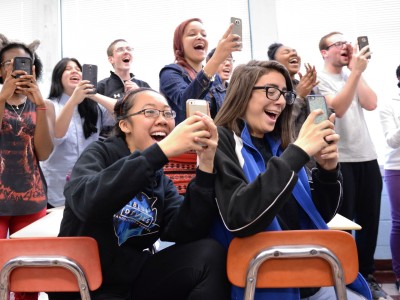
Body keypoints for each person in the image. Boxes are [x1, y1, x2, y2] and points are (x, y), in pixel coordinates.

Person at [210, 60, 371, 299]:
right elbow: (239, 217)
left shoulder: (279, 145)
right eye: (271, 90)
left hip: (313, 273)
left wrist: (327, 172)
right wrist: (298, 152)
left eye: (285, 93)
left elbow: (319, 216)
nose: (281, 100)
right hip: (264, 280)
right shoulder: (221, 140)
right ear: (242, 93)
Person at [48, 87, 229, 300]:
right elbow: (87, 202)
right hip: (83, 286)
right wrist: (159, 153)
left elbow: (186, 231)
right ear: (125, 125)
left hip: (130, 282)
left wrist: (206, 164)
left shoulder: (160, 178)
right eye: (150, 112)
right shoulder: (100, 154)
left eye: (168, 113)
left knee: (209, 253)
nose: (162, 120)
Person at [316, 31, 384, 300]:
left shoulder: (351, 74)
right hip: (340, 160)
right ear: (324, 52)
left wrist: (357, 71)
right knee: (342, 224)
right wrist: (355, 72)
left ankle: (368, 277)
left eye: (347, 43)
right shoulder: (318, 79)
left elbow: (371, 103)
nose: (345, 47)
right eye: (338, 44)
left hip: (367, 156)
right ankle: (341, 278)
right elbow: (338, 109)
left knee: (369, 222)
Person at [0, 35, 54, 300]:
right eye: (9, 63)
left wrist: (41, 104)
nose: (17, 68)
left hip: (32, 200)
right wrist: (2, 99)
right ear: (1, 71)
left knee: (28, 279)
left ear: (34, 69)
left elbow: (43, 152)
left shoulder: (43, 105)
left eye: (23, 63)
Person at [40, 57, 115, 208]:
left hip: (88, 183)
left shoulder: (95, 107)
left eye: (78, 69)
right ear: (58, 77)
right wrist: (73, 100)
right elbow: (57, 138)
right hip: (56, 187)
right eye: (68, 69)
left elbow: (122, 111)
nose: (74, 71)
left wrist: (92, 94)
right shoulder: (50, 105)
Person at [159, 17, 241, 125]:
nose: (199, 37)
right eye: (192, 34)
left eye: (204, 35)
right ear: (179, 43)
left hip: (216, 139)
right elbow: (186, 103)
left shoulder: (215, 78)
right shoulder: (170, 72)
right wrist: (216, 59)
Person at [96, 39, 151, 140]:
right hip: (110, 142)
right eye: (120, 49)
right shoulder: (101, 87)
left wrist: (138, 93)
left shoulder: (143, 86)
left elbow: (152, 113)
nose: (126, 51)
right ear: (111, 59)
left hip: (138, 141)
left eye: (129, 49)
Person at [267, 42, 318, 139]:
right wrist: (299, 97)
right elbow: (280, 124)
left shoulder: (305, 87)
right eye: (286, 52)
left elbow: (321, 120)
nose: (294, 54)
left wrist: (312, 95)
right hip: (288, 150)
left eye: (295, 52)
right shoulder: (271, 89)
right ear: (274, 61)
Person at [379, 64, 400, 293]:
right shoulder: (388, 105)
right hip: (397, 167)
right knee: (399, 223)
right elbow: (392, 141)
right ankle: (399, 274)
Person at [204, 48, 234, 118]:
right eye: (222, 60)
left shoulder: (234, 90)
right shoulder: (205, 91)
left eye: (230, 60)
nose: (228, 64)